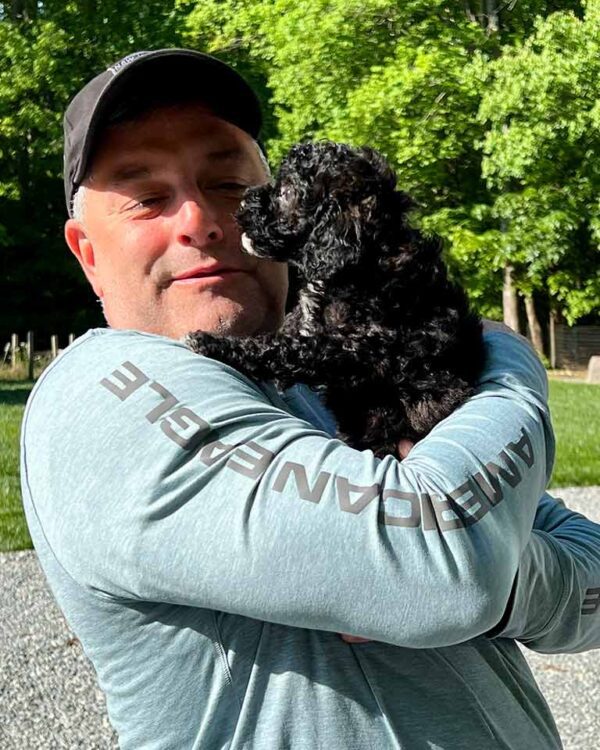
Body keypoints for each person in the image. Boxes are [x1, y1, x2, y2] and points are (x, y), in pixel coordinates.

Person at [20, 49, 600, 749]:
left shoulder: (345, 377)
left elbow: (586, 572)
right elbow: (440, 567)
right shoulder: (102, 396)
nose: (202, 219)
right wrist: (508, 363)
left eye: (230, 183)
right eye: (146, 198)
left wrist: (505, 583)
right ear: (86, 252)